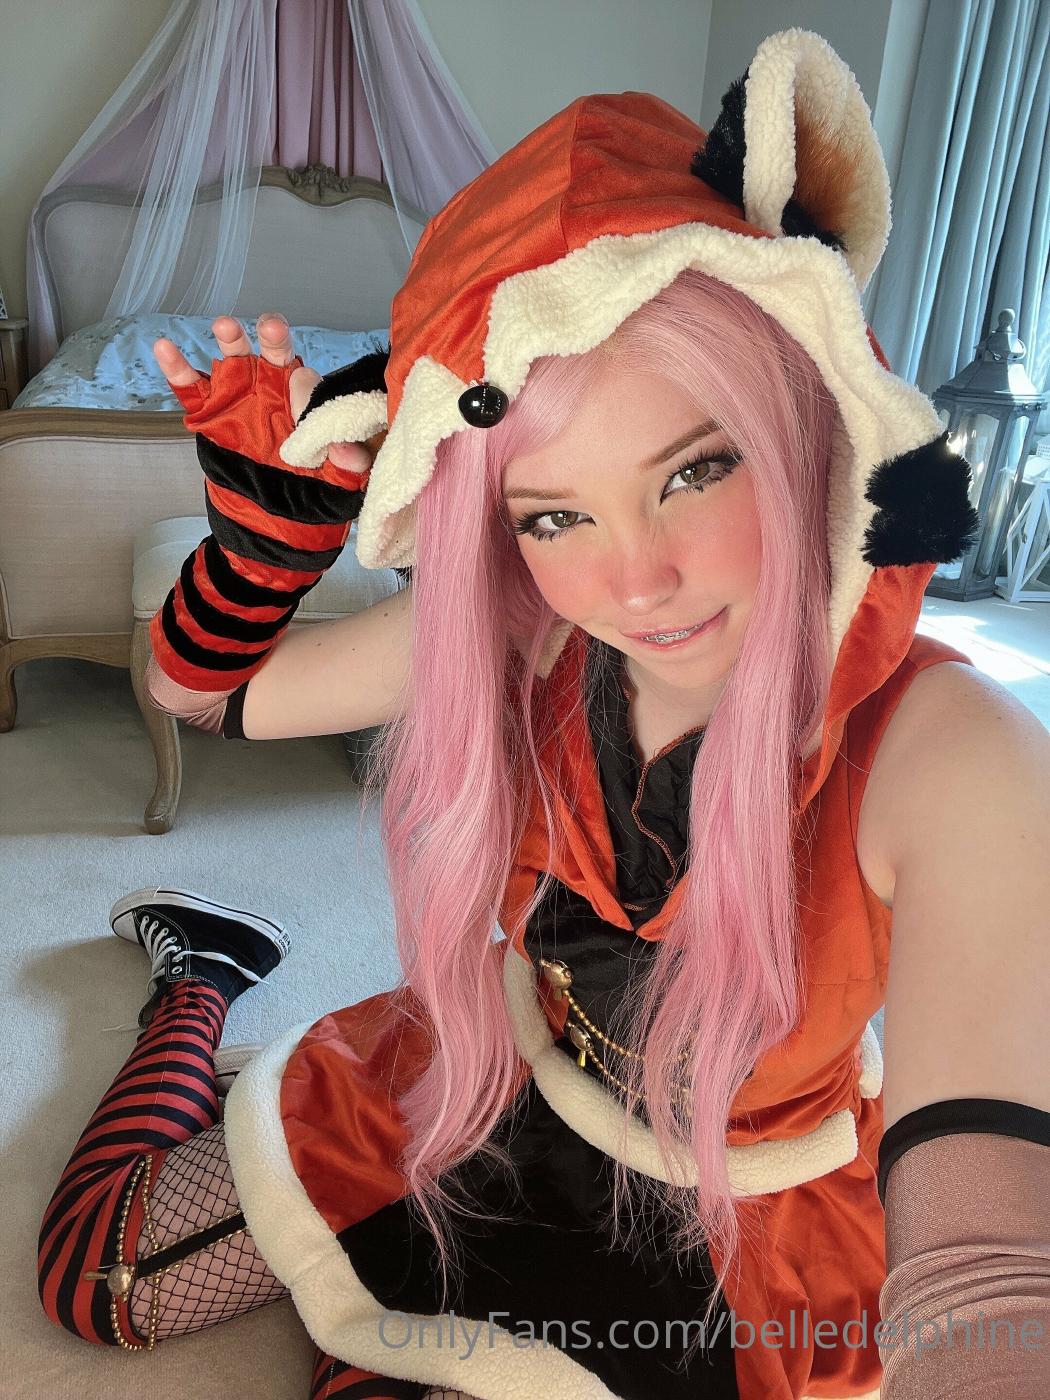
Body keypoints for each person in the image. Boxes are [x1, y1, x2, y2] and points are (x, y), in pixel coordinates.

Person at [36, 28, 1050, 1400]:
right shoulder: (530, 633)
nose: (635, 582)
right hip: (501, 1072)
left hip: (745, 1213)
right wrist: (260, 556)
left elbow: (989, 1266)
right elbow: (199, 696)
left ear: (809, 425)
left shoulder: (952, 752)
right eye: (553, 515)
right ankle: (202, 977)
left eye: (693, 472)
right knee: (96, 1283)